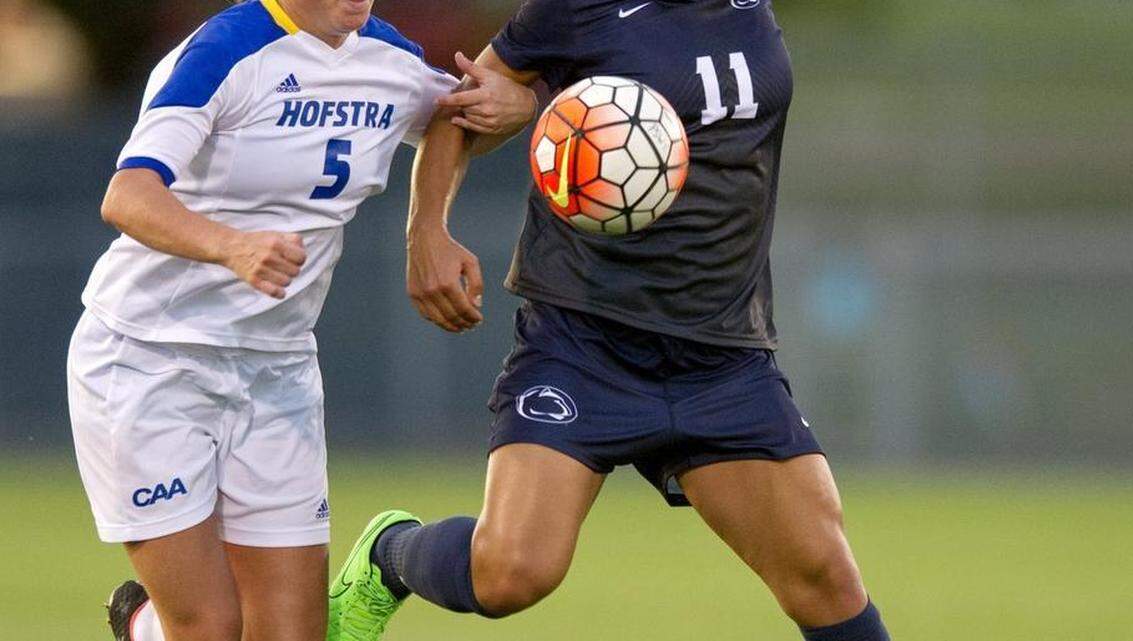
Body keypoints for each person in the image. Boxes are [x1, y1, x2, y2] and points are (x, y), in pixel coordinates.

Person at [327, 1, 893, 641]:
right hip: (585, 344)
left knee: (827, 582)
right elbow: (465, 109)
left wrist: (537, 107)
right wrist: (426, 231)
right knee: (511, 573)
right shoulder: (576, 7)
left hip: (722, 354)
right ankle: (389, 557)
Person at [67, 1, 535, 640]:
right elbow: (127, 196)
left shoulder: (387, 58)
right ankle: (145, 625)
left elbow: (457, 117)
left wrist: (514, 113)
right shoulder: (226, 50)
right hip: (150, 358)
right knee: (208, 627)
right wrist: (232, 245)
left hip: (277, 367)